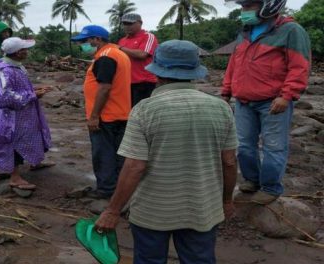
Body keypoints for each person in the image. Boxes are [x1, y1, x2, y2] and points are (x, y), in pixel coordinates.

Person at [95, 40, 238, 264]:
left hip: (153, 211)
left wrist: (113, 210)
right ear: (194, 72)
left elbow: (134, 166)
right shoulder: (221, 108)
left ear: (157, 72)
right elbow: (229, 161)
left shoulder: (144, 110)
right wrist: (227, 201)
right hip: (202, 208)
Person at [222, 0, 311, 204]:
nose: (244, 11)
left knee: (274, 146)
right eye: (243, 7)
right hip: (244, 101)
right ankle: (251, 180)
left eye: (248, 7)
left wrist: (286, 96)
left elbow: (299, 67)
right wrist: (226, 91)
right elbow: (234, 64)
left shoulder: (291, 30)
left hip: (273, 102)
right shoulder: (245, 32)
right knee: (244, 145)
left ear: (267, 6)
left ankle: (271, 187)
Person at [0, 37, 51, 190]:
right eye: (24, 50)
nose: (27, 52)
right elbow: (4, 97)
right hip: (12, 118)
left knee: (28, 137)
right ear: (17, 53)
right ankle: (15, 177)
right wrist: (32, 95)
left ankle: (34, 162)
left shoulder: (16, 67)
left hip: (23, 115)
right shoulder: (5, 71)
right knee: (13, 141)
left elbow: (17, 89)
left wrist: (34, 90)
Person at [71, 25, 131, 199]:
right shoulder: (119, 54)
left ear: (97, 39)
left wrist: (94, 116)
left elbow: (104, 88)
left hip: (106, 116)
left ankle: (106, 190)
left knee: (103, 154)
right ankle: (120, 188)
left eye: (85, 41)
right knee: (118, 154)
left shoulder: (106, 56)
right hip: (120, 112)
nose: (83, 45)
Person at [118, 13, 158, 107]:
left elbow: (142, 54)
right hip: (127, 82)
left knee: (142, 111)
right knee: (130, 110)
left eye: (130, 23)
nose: (127, 26)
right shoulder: (122, 41)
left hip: (144, 82)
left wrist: (120, 48)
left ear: (140, 23)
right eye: (125, 24)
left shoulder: (148, 36)